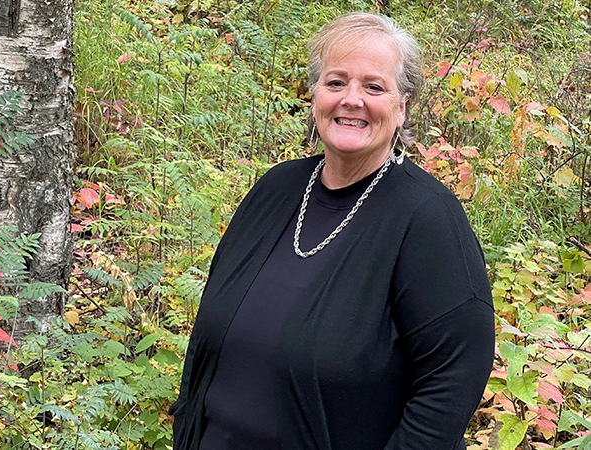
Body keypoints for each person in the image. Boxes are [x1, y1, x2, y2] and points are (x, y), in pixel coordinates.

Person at [170, 12, 494, 450]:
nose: (351, 99)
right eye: (336, 82)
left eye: (374, 87)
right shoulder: (276, 188)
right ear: (315, 95)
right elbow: (208, 331)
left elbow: (452, 381)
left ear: (401, 108)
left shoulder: (427, 218)